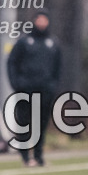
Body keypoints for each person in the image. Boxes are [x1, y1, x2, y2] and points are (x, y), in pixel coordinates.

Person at [6, 9, 61, 166]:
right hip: (25, 90)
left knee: (40, 125)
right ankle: (25, 157)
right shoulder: (24, 42)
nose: (41, 23)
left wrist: (53, 86)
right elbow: (12, 62)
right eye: (39, 20)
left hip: (45, 92)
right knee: (24, 123)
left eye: (44, 20)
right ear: (34, 21)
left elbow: (58, 68)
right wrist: (16, 83)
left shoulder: (53, 43)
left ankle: (38, 156)